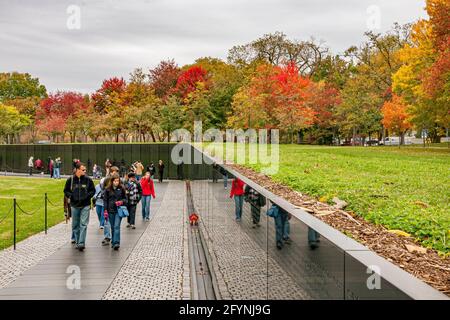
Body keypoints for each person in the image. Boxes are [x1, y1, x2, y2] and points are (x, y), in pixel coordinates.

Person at [63, 162, 95, 251]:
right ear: (77, 170)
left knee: (84, 224)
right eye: (83, 170)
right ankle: (77, 241)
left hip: (85, 205)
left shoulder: (88, 180)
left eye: (85, 170)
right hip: (74, 206)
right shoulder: (71, 180)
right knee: (75, 225)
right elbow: (66, 191)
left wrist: (87, 196)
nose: (85, 171)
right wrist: (72, 196)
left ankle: (81, 243)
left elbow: (93, 191)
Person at [103, 173, 128, 250]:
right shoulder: (107, 189)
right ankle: (113, 242)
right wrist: (105, 210)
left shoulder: (122, 188)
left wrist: (121, 202)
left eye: (118, 181)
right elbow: (105, 201)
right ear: (112, 181)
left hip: (118, 210)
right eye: (115, 181)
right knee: (113, 227)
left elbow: (126, 199)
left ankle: (116, 242)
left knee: (117, 226)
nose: (116, 182)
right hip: (110, 211)